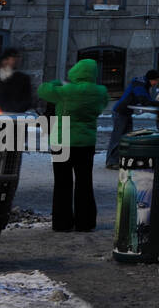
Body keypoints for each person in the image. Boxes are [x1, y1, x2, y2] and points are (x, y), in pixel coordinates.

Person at [36, 59, 108, 232]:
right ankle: (85, 222)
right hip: (86, 142)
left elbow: (42, 90)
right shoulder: (100, 92)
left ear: (76, 71)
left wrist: (57, 82)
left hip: (63, 140)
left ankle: (62, 223)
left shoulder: (65, 91)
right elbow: (102, 106)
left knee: (62, 183)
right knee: (85, 182)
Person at [106, 74, 154, 168]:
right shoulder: (139, 84)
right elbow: (144, 99)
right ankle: (112, 162)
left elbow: (147, 99)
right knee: (118, 137)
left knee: (126, 137)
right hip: (121, 112)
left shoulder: (143, 85)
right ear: (150, 79)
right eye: (155, 80)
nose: (156, 83)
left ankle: (120, 160)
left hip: (126, 112)